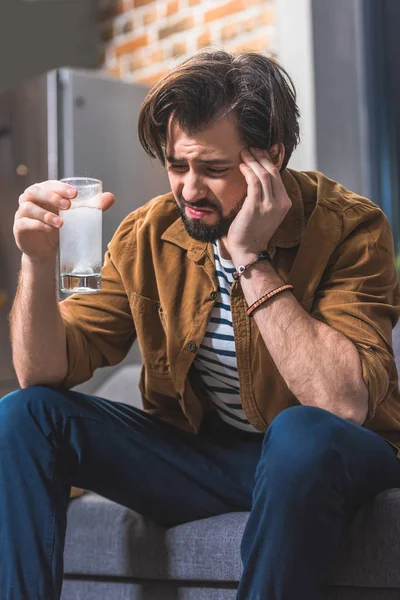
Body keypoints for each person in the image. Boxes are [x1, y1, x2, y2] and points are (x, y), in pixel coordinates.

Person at [2, 49, 400, 600]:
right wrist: (37, 261)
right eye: (176, 165)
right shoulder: (145, 235)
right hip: (204, 458)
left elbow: (339, 405)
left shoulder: (351, 228)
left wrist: (251, 258)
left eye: (213, 169)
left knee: (301, 431)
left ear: (272, 157)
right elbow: (41, 373)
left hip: (328, 456)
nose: (189, 190)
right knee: (25, 415)